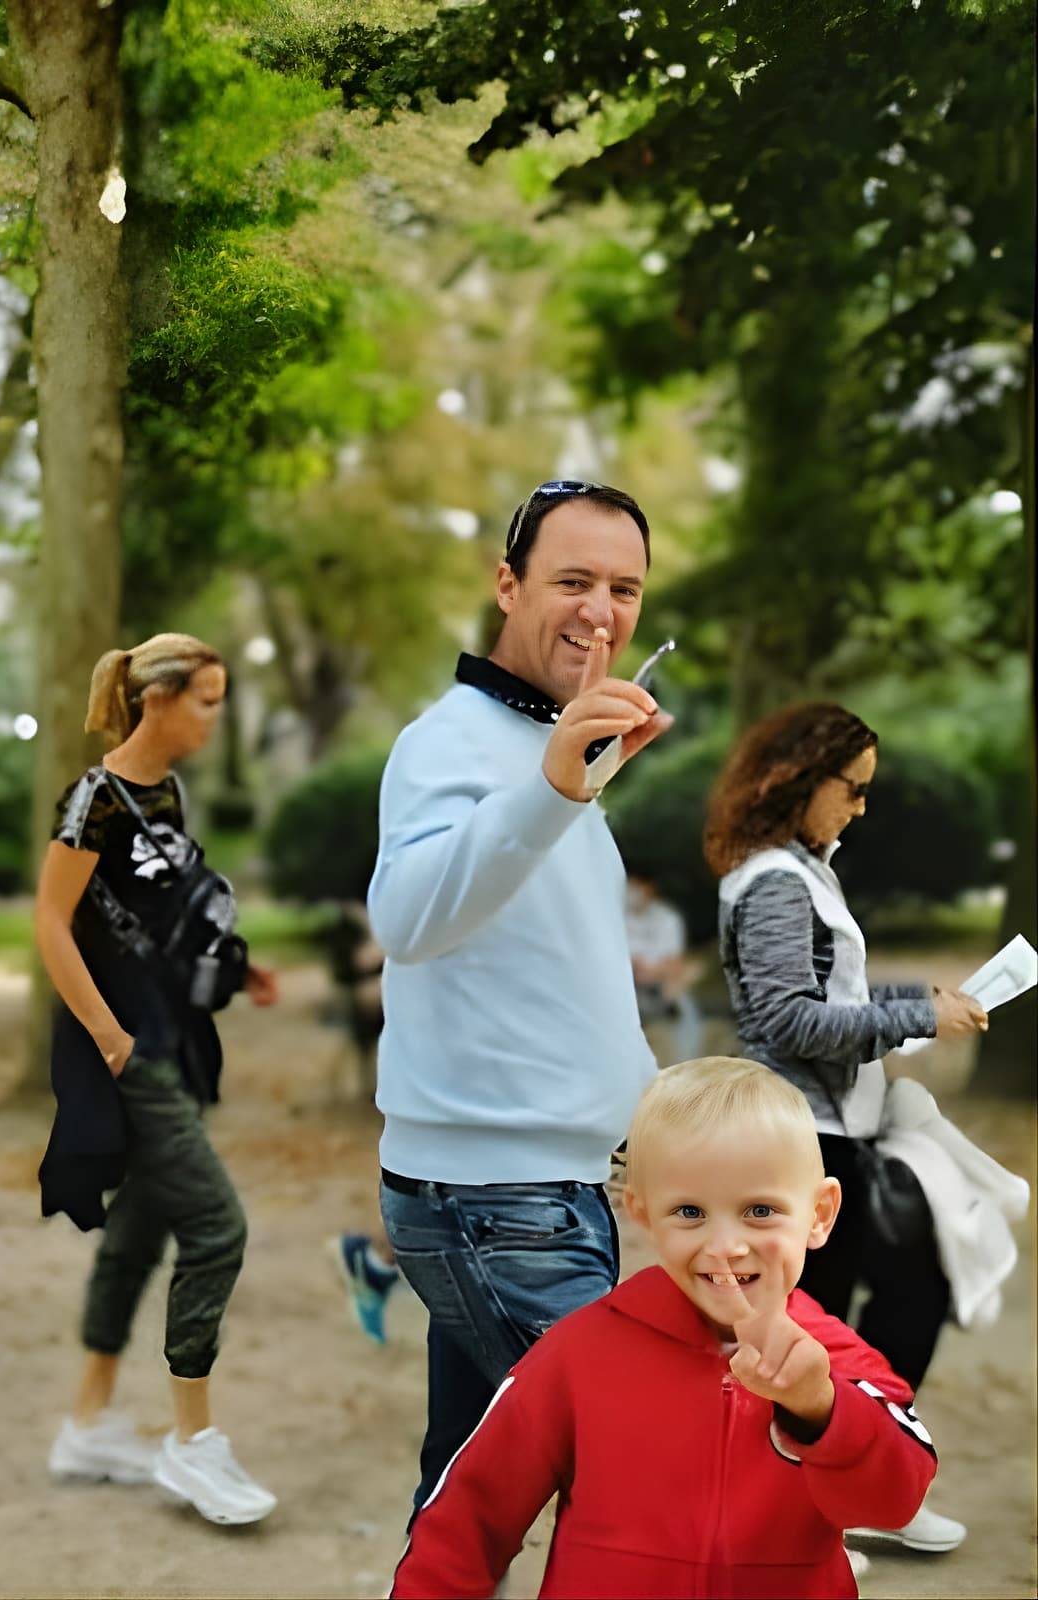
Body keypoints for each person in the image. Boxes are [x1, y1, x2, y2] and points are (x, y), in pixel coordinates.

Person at [368, 479, 672, 1514]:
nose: (600, 611)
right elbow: (405, 921)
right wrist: (550, 784)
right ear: (507, 584)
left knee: (468, 1491)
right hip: (490, 1201)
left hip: (560, 1186)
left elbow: (562, 966)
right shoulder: (448, 742)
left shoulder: (557, 747)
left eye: (623, 588)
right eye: (573, 580)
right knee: (652, 1472)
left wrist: (648, 1118)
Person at [391, 1057, 937, 1599]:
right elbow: (468, 1516)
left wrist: (820, 1407)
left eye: (760, 1210)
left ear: (819, 1213)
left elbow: (894, 1502)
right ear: (643, 1212)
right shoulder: (580, 1353)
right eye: (690, 1212)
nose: (725, 1245)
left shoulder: (837, 1360)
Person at [707, 700, 987, 1557]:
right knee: (807, 1333)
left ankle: (853, 1487)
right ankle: (795, 1515)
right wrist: (914, 1017)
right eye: (853, 789)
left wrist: (917, 1005)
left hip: (836, 1131)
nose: (861, 808)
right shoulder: (775, 881)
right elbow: (789, 1021)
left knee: (897, 1293)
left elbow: (831, 1000)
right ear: (800, 779)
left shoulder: (802, 869)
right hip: (799, 1139)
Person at [34, 634, 280, 1527]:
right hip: (128, 1053)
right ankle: (193, 1443)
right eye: (208, 701)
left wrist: (235, 969)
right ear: (163, 700)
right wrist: (107, 1035)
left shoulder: (165, 794)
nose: (217, 716)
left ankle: (91, 1425)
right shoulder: (92, 801)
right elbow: (52, 925)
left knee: (141, 1227)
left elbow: (162, 913)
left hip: (171, 1037)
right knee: (216, 1227)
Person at [625, 866, 704, 1062]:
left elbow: (674, 962)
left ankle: (688, 1060)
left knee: (689, 980)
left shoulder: (668, 918)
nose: (632, 892)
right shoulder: (615, 918)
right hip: (628, 985)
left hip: (663, 984)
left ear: (649, 887)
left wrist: (648, 971)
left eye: (636, 886)